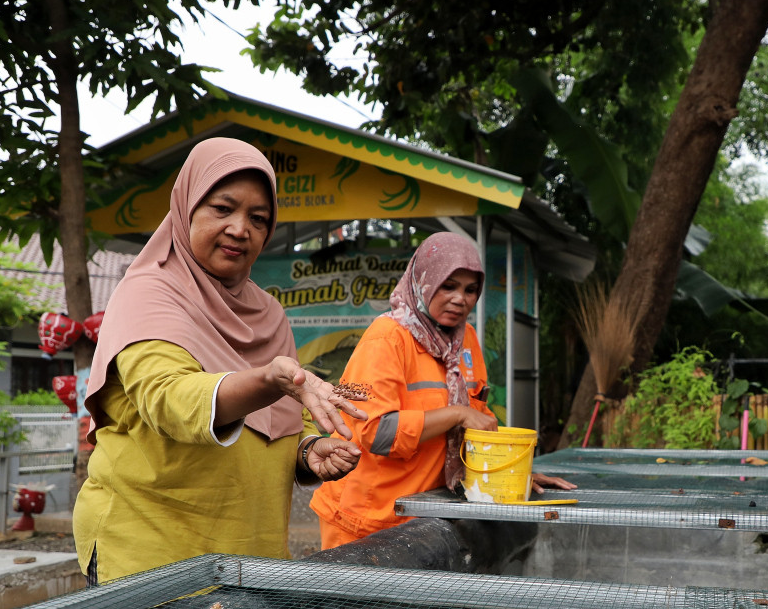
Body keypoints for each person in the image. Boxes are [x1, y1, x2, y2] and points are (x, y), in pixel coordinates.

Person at [74, 138, 364, 584]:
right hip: (153, 560)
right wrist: (267, 380)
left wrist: (309, 451)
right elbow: (171, 401)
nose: (240, 228)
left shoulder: (269, 314)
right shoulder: (149, 293)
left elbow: (283, 419)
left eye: (258, 218)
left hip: (254, 560)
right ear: (187, 207)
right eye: (222, 209)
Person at [310, 231, 574, 549]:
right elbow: (376, 433)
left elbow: (478, 417)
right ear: (424, 281)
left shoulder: (467, 339)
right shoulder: (386, 337)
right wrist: (455, 414)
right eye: (448, 286)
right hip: (364, 519)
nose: (460, 298)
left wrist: (510, 474)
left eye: (470, 289)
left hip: (425, 516)